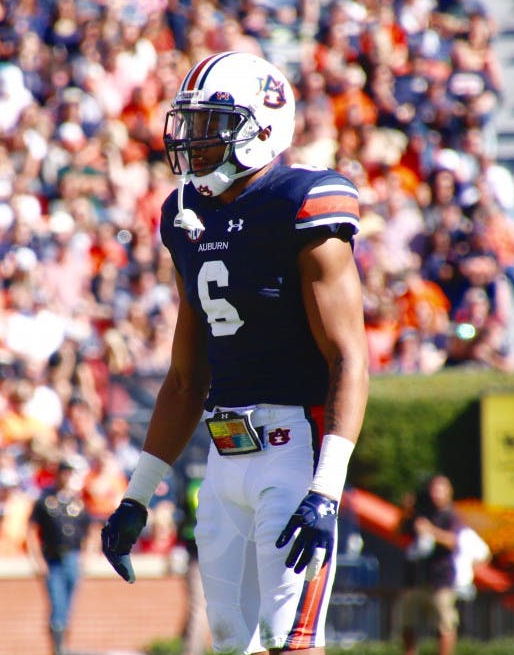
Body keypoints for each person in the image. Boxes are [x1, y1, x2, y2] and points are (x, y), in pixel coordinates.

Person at [100, 52, 370, 655]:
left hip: (294, 449)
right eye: (190, 126)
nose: (194, 143)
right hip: (225, 460)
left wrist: (326, 488)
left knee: (290, 643)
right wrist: (136, 495)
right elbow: (184, 378)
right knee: (231, 643)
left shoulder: (302, 202)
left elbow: (349, 358)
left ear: (264, 125)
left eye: (212, 126)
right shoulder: (185, 214)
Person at [28, 459, 91, 655]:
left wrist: (86, 557)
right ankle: (57, 649)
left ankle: (64, 646)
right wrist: (37, 559)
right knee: (57, 605)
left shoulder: (78, 503)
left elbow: (89, 530)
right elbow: (31, 530)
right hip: (53, 558)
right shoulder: (46, 501)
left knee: (68, 607)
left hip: (72, 557)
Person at [396, 475, 464, 655]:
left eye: (441, 489)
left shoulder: (451, 515)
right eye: (433, 489)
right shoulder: (421, 513)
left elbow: (453, 541)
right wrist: (407, 510)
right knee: (408, 625)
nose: (436, 494)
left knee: (444, 625)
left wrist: (431, 531)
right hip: (416, 579)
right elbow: (399, 532)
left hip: (440, 581)